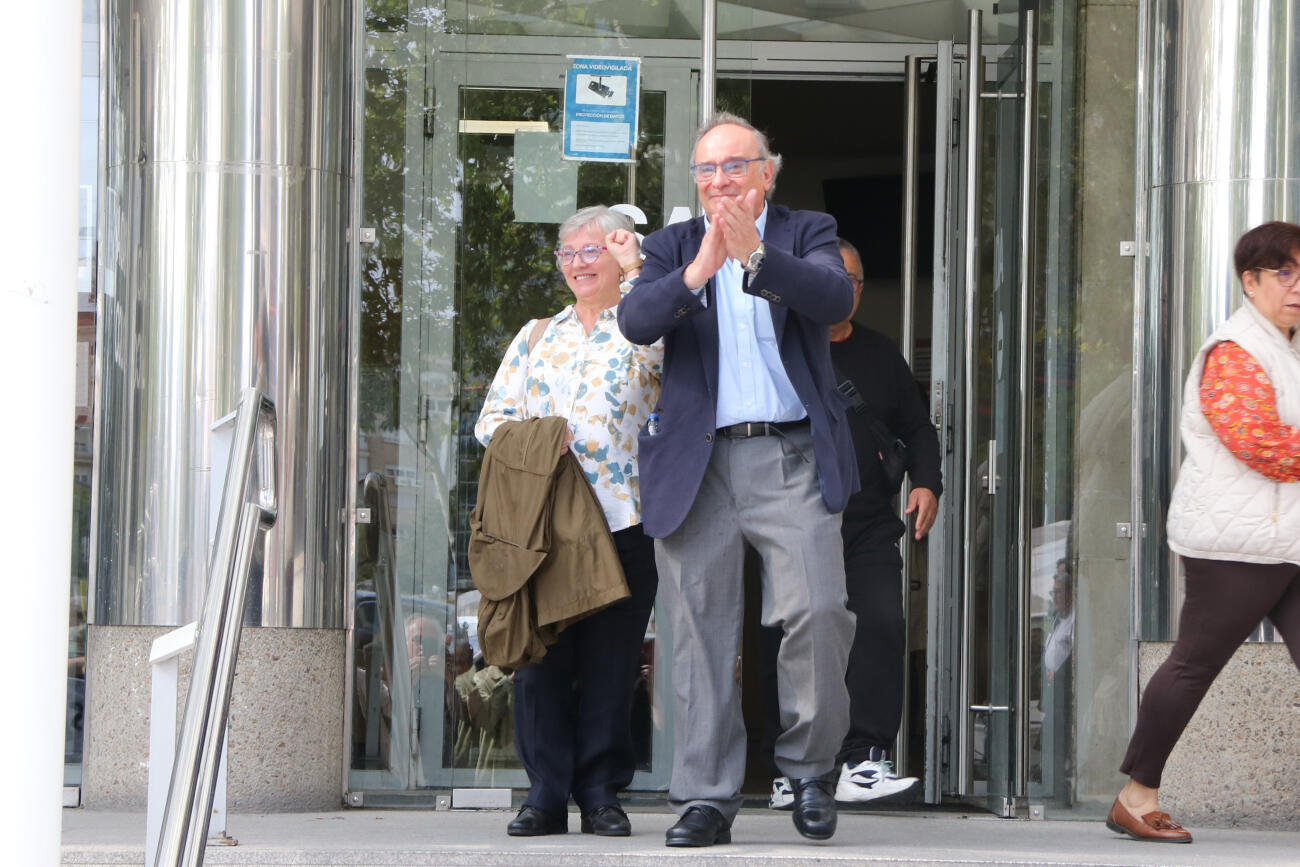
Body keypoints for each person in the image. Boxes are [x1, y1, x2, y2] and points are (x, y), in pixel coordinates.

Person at [617, 113, 858, 847]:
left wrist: (756, 258)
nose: (719, 181)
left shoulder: (806, 229)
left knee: (818, 610)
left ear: (766, 172)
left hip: (789, 456)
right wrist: (701, 269)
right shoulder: (671, 246)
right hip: (699, 464)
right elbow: (636, 318)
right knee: (695, 635)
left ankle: (811, 774)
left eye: (733, 166)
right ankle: (706, 797)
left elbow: (836, 300)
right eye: (706, 171)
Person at [1106, 221, 1300, 843]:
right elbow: (1262, 444)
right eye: (1284, 273)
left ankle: (1136, 796)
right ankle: (1136, 798)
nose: (1296, 286)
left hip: (1285, 537)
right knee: (1192, 666)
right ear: (1251, 281)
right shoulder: (1235, 350)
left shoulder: (1287, 347)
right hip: (1235, 545)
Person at [475, 205, 661, 838]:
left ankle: (602, 794)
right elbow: (490, 423)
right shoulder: (535, 336)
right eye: (568, 253)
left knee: (613, 667)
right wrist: (536, 440)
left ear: (616, 255)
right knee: (542, 666)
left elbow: (682, 402)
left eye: (591, 252)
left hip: (624, 519)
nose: (579, 263)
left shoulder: (647, 328)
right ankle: (545, 795)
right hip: (545, 529)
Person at [764, 238, 941, 809]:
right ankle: (795, 769)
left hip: (867, 523)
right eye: (832, 278)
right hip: (794, 520)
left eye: (855, 281)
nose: (844, 290)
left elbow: (918, 428)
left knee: (883, 625)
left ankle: (864, 759)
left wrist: (927, 483)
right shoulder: (781, 348)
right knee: (798, 635)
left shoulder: (882, 354)